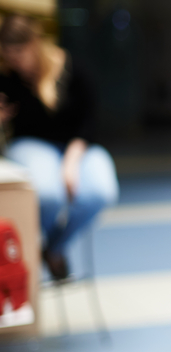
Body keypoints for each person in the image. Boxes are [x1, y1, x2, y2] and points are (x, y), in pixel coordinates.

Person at [0, 14, 119, 280]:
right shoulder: (7, 79)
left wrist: (71, 163)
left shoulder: (74, 69)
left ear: (34, 44)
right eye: (8, 55)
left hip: (78, 146)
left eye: (19, 53)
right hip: (31, 144)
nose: (14, 62)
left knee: (100, 192)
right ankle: (33, 250)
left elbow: (90, 121)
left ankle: (53, 248)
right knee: (49, 196)